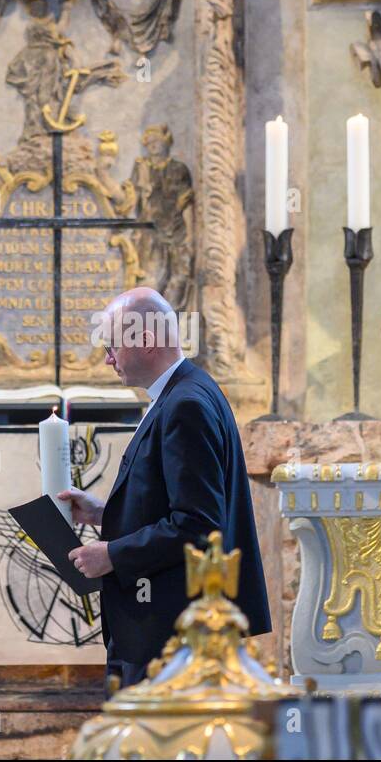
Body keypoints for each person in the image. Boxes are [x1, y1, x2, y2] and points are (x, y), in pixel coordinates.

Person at [58, 287, 271, 693]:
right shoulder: (184, 392)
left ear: (147, 341)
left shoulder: (185, 404)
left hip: (169, 636)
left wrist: (112, 555)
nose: (108, 358)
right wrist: (105, 513)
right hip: (165, 628)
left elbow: (198, 526)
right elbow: (173, 503)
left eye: (113, 345)